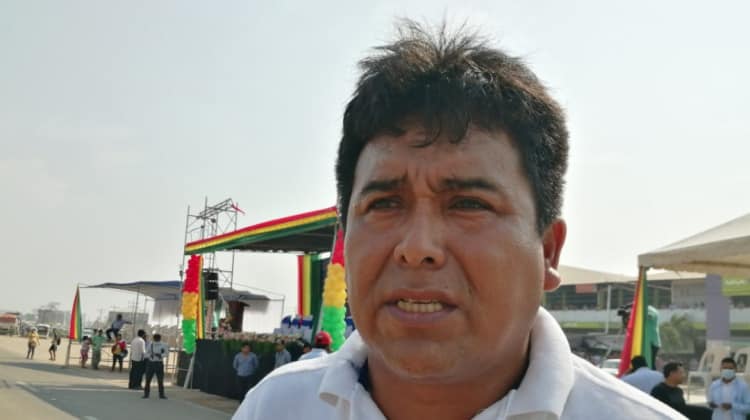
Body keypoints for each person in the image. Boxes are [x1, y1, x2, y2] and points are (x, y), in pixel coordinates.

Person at [232, 20, 685, 420]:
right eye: (385, 204)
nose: (417, 248)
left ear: (548, 250)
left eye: (468, 204)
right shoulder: (274, 408)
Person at [143, 333, 168, 399]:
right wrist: (150, 355)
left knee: (160, 380)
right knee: (148, 380)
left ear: (159, 339)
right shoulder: (151, 344)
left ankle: (161, 394)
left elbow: (166, 354)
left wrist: (160, 355)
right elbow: (146, 354)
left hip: (158, 363)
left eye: (157, 339)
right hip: (151, 363)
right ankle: (147, 394)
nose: (156, 341)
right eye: (156, 339)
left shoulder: (164, 345)